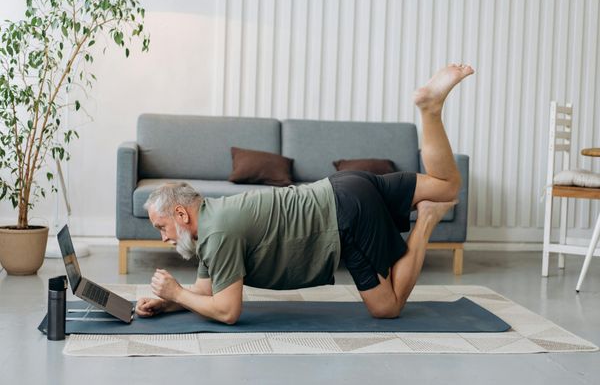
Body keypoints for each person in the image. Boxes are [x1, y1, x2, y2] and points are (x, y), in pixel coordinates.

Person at [135, 63, 474, 325]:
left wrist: (176, 291)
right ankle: (430, 110)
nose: (163, 237)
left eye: (160, 227)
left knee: (387, 307)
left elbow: (226, 310)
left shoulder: (218, 234)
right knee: (447, 185)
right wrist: (168, 302)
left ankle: (427, 218)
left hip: (345, 219)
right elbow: (206, 292)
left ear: (181, 215)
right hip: (344, 185)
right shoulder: (214, 219)